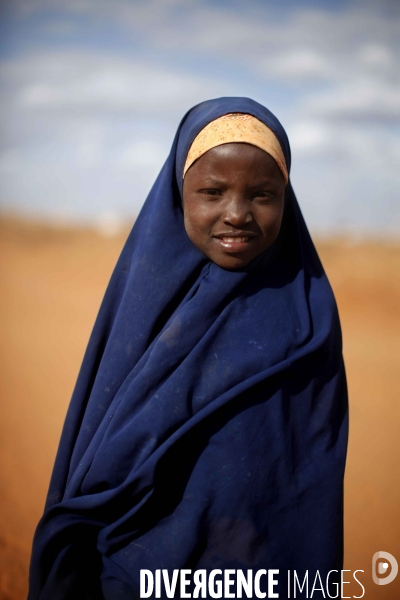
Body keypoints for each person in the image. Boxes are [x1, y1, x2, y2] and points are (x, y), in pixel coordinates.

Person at [28, 97, 348, 600]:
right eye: (213, 192)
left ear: (287, 198)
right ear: (179, 194)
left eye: (263, 194)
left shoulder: (308, 319)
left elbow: (307, 479)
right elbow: (100, 439)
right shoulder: (143, 305)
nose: (237, 214)